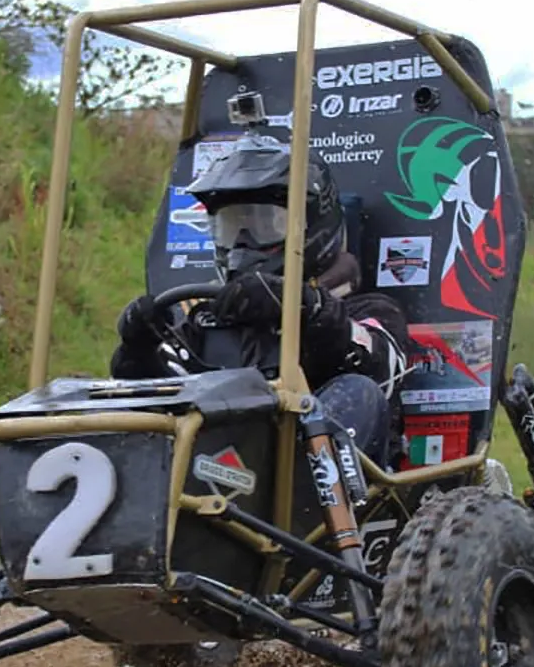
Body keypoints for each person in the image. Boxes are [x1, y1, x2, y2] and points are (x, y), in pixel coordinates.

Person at [110, 130, 413, 465]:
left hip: (313, 487)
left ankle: (310, 500)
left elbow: (379, 365)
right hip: (216, 477)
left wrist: (301, 305)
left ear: (312, 226)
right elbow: (160, 399)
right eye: (230, 226)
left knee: (360, 390)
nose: (243, 242)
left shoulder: (368, 310)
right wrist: (137, 353)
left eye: (264, 224)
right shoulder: (206, 322)